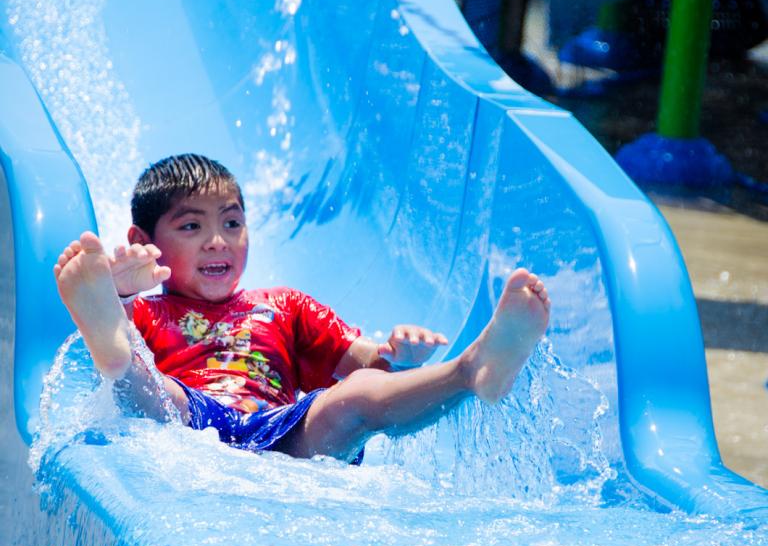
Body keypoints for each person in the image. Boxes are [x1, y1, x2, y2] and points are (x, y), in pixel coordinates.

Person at [54, 153, 551, 463]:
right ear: (145, 242)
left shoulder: (284, 307)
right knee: (149, 386)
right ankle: (107, 326)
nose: (216, 242)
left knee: (354, 397)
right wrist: (125, 296)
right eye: (190, 228)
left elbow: (370, 364)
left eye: (231, 224)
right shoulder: (150, 312)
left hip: (284, 435)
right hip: (189, 428)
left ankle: (470, 370)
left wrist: (398, 355)